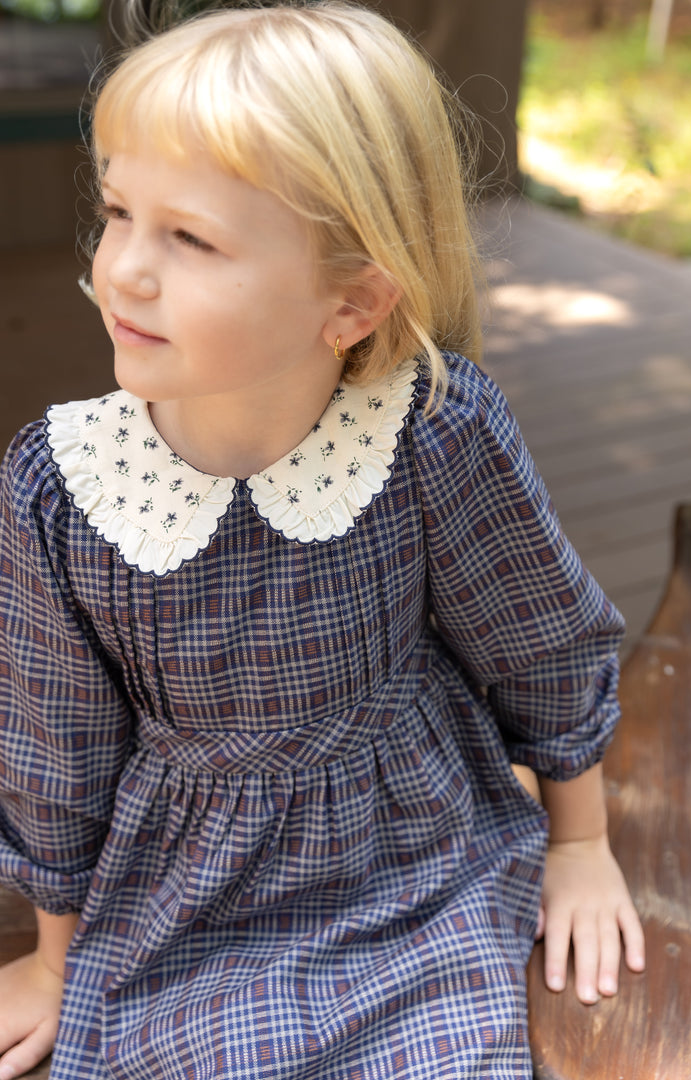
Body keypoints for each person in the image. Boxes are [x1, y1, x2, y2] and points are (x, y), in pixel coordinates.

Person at [0, 3, 644, 1078]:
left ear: (351, 302)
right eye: (118, 211)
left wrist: (582, 844)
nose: (124, 270)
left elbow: (541, 639)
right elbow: (52, 749)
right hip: (183, 898)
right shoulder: (62, 490)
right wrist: (55, 961)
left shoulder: (431, 433)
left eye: (190, 237)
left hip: (415, 857)